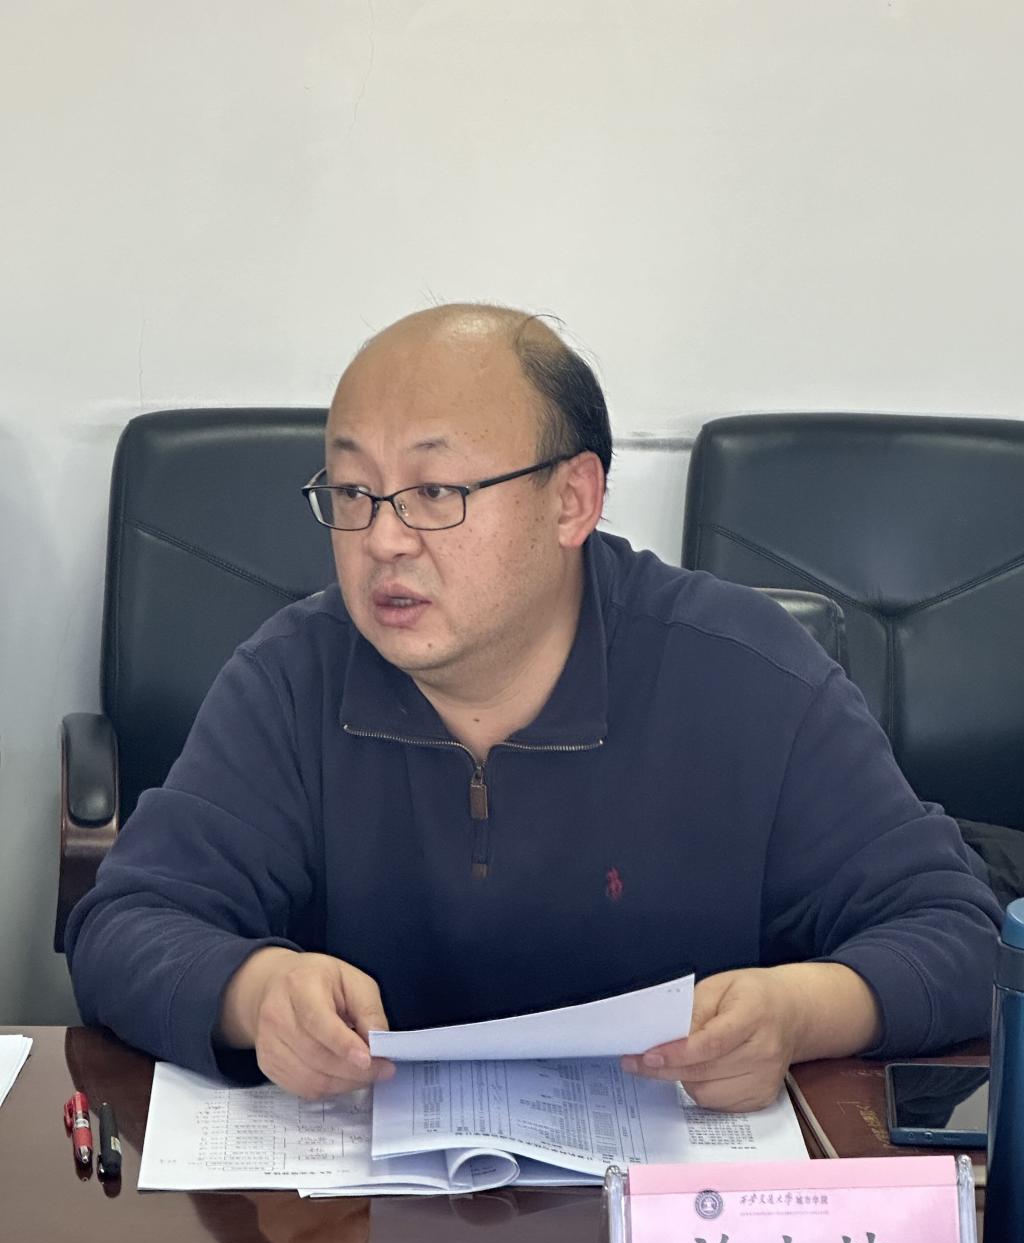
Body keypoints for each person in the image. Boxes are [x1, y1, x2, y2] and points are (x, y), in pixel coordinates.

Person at [66, 304, 1001, 1112]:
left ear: (572, 500)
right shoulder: (292, 676)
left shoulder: (746, 676)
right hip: (356, 1227)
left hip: (664, 1225)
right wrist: (256, 990)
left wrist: (799, 1013)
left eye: (434, 491)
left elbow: (957, 928)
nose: (383, 538)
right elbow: (124, 923)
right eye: (354, 491)